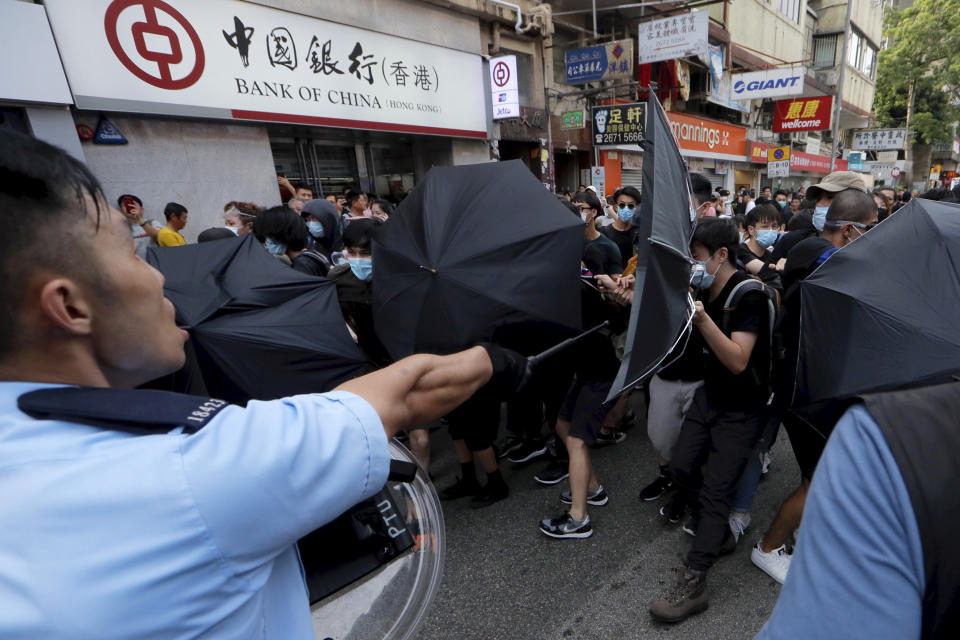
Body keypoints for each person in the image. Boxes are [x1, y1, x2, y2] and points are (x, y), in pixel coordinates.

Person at [0, 129, 531, 638]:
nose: (159, 275)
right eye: (130, 253)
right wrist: (495, 360)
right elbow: (407, 393)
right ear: (69, 306)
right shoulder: (194, 468)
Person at [756, 381, 960, 640]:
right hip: (819, 401)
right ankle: (767, 548)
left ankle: (795, 535)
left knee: (816, 478)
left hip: (828, 398)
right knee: (813, 483)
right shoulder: (867, 436)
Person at [749, 187, 879, 585]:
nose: (875, 235)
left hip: (812, 380)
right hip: (806, 388)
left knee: (824, 467)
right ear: (852, 230)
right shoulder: (826, 262)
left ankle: (810, 527)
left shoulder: (808, 249)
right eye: (871, 228)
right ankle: (768, 547)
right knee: (821, 476)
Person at [650, 217, 771, 623]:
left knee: (717, 491)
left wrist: (702, 319)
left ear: (721, 254)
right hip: (709, 397)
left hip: (742, 408)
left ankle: (695, 581)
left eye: (696, 257)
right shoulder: (702, 287)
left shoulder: (748, 295)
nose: (692, 264)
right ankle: (713, 527)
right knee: (682, 467)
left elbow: (738, 360)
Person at [573, 190, 623, 275]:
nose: (576, 213)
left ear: (593, 212)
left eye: (580, 209)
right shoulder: (568, 242)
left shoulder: (609, 246)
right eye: (573, 209)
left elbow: (616, 282)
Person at [599, 186, 641, 263]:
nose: (626, 209)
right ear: (616, 206)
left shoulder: (639, 233)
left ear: (637, 207)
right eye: (622, 205)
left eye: (630, 205)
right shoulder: (604, 232)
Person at [738, 204, 779, 275]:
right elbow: (766, 273)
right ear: (751, 230)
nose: (770, 230)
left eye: (774, 226)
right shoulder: (740, 251)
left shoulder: (769, 254)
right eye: (765, 226)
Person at [117, 194, 162, 259]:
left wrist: (140, 219)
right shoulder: (118, 228)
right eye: (125, 205)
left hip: (152, 265)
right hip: (130, 266)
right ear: (121, 211)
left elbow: (159, 236)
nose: (130, 207)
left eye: (133, 204)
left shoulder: (152, 222)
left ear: (141, 209)